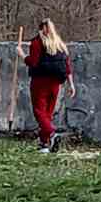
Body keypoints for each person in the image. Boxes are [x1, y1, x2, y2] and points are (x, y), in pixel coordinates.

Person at [18, 18, 76, 152]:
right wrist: (71, 84)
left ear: (41, 29)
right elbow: (67, 66)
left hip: (40, 81)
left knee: (39, 112)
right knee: (47, 113)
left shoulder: (37, 43)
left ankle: (52, 134)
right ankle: (44, 144)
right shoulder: (59, 44)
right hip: (56, 83)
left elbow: (33, 62)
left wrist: (22, 55)